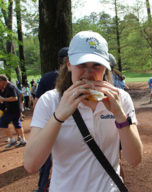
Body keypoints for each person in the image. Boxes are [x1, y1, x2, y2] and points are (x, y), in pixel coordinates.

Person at [24, 31, 143, 192]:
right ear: (68, 65)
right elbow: (31, 164)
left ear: (105, 68)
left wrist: (120, 115)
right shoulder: (50, 101)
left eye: (96, 65)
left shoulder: (121, 98)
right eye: (81, 65)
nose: (89, 73)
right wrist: (59, 116)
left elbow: (135, 160)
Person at [32, 47, 68, 192]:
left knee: (46, 161)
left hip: (48, 125)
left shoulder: (46, 77)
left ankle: (42, 187)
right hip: (70, 126)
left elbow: (36, 102)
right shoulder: (75, 77)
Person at [0, 74, 27, 148]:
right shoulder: (7, 87)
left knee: (2, 123)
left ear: (2, 81)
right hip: (14, 109)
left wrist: (3, 99)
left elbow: (15, 98)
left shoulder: (10, 87)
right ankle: (23, 140)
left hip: (13, 110)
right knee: (17, 124)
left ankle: (13, 139)